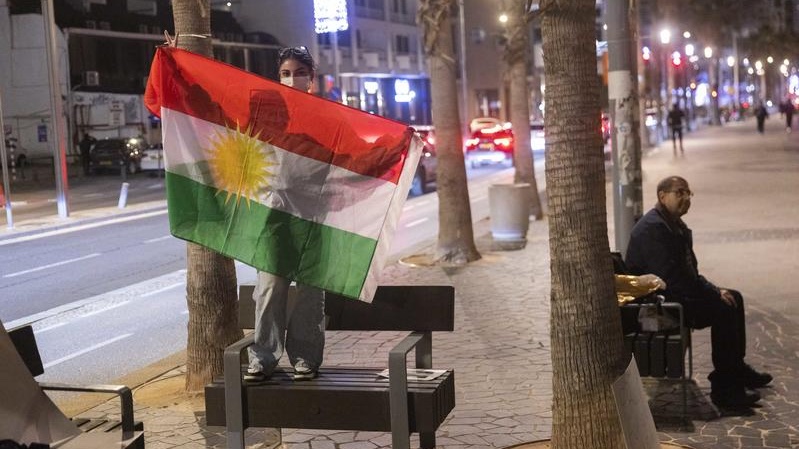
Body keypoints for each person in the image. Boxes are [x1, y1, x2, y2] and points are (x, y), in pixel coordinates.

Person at [625, 176, 772, 409]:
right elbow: (674, 280)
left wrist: (715, 290)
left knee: (734, 297)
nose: (685, 198)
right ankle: (725, 390)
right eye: (679, 192)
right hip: (657, 308)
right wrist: (713, 293)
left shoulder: (672, 224)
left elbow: (688, 274)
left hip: (673, 296)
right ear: (662, 196)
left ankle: (736, 369)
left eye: (688, 193)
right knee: (723, 308)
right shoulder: (654, 229)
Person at [245, 45, 325, 383]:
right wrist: (179, 66)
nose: (292, 78)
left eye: (298, 72)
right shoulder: (268, 114)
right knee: (269, 286)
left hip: (313, 218)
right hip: (275, 216)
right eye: (285, 73)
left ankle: (305, 358)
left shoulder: (326, 116)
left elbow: (354, 149)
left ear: (311, 78)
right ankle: (263, 357)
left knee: (310, 289)